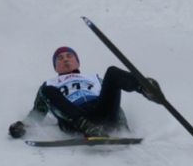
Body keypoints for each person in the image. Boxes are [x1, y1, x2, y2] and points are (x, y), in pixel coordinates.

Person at [8, 46, 162, 139]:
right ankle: (87, 126)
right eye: (60, 59)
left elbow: (113, 99)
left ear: (77, 62)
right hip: (75, 119)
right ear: (55, 67)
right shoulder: (49, 84)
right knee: (48, 91)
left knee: (113, 72)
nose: (65, 60)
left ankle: (145, 88)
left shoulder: (93, 77)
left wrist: (123, 128)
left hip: (101, 112)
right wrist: (21, 126)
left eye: (69, 56)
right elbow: (37, 114)